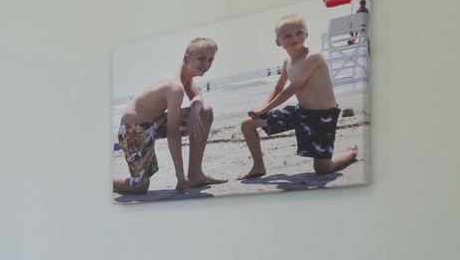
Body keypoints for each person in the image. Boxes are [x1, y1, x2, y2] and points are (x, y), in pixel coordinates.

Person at [241, 14, 359, 178]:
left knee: (322, 168)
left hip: (323, 116)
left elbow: (293, 87)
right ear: (278, 42)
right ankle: (258, 166)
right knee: (248, 124)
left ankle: (350, 154)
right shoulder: (286, 62)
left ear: (306, 34)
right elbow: (278, 87)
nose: (294, 38)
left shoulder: (313, 57)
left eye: (299, 33)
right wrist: (262, 107)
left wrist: (266, 108)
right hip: (301, 112)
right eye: (287, 35)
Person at [113, 37, 224, 195]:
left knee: (204, 111)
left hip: (155, 123)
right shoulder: (175, 87)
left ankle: (195, 174)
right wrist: (180, 176)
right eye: (201, 59)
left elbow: (197, 96)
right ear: (186, 59)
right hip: (133, 131)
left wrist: (194, 111)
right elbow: (173, 134)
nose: (206, 65)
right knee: (139, 186)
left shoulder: (184, 72)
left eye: (210, 60)